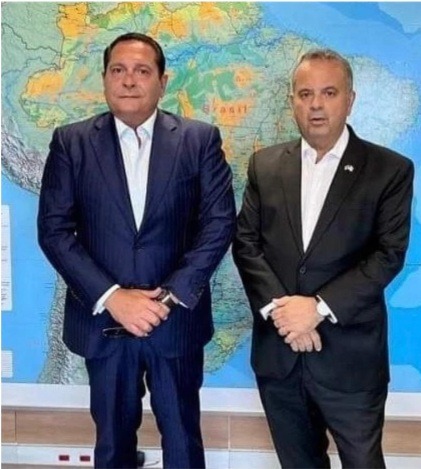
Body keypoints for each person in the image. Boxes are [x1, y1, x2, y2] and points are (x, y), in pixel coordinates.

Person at [38, 32, 236, 469]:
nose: (129, 80)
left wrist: (168, 297)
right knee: (112, 445)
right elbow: (54, 231)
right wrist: (113, 297)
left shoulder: (199, 140)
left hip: (175, 322)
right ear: (105, 79)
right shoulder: (71, 142)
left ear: (162, 82)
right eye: (118, 70)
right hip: (105, 324)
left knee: (183, 442)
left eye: (142, 71)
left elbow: (219, 223)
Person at [233, 48, 414, 469]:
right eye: (305, 94)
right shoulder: (265, 165)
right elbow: (246, 244)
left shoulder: (389, 169)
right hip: (280, 355)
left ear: (350, 100)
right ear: (292, 101)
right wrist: (285, 315)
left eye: (329, 93)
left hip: (350, 359)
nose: (316, 104)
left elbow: (387, 255)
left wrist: (316, 309)